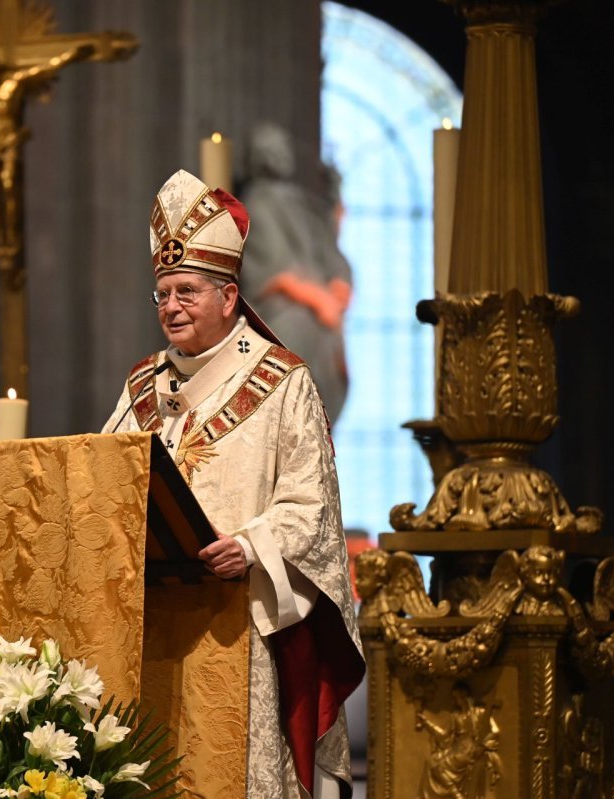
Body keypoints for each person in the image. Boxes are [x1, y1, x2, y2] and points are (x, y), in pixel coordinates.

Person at [104, 169, 365, 798]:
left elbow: (313, 511)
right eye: (162, 293)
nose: (171, 306)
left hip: (241, 626)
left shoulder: (283, 381)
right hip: (155, 625)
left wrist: (249, 546)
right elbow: (104, 479)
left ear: (228, 296)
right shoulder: (143, 386)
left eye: (186, 291)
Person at [239, 122, 354, 420]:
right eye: (269, 148)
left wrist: (338, 281)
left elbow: (325, 244)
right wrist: (318, 299)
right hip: (285, 307)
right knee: (295, 331)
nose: (276, 154)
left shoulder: (297, 201)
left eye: (279, 147)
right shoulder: (258, 200)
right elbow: (273, 268)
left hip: (317, 313)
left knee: (322, 342)